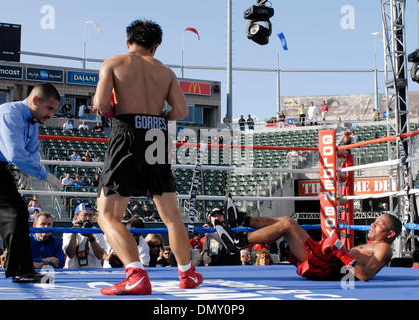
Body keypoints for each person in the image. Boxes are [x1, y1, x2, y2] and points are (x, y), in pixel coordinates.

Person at [92, 19, 202, 295]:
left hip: (126, 134)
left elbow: (101, 104)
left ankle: (136, 274)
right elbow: (180, 111)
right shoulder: (165, 72)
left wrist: (113, 110)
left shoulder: (114, 63)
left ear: (128, 42)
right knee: (172, 217)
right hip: (157, 134)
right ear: (155, 47)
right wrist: (158, 117)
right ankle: (187, 274)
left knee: (107, 214)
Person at [0, 83, 62, 283]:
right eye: (49, 108)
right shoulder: (8, 115)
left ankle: (21, 269)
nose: (51, 114)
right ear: (35, 100)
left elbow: (31, 151)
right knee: (16, 211)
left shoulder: (32, 122)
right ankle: (21, 270)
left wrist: (28, 170)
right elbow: (15, 153)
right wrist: (44, 176)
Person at [215, 201, 402, 281]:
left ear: (390, 233)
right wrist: (340, 253)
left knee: (287, 225)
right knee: (287, 222)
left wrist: (342, 254)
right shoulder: (373, 245)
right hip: (325, 261)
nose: (372, 225)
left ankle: (238, 242)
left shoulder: (384, 249)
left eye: (378, 224)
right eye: (375, 222)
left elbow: (365, 276)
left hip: (326, 268)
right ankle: (242, 220)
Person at [62, 203, 107, 269]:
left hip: (93, 272)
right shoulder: (69, 232)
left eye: (90, 215)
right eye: (85, 215)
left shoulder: (97, 232)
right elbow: (70, 254)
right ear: (76, 217)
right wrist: (74, 232)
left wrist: (91, 237)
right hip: (73, 272)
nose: (88, 218)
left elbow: (100, 256)